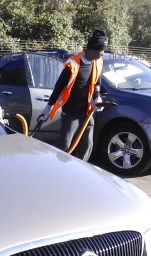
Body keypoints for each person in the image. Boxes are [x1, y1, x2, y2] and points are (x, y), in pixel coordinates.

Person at [41, 29, 108, 161]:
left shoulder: (98, 62)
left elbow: (96, 84)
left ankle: (81, 169)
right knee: (65, 144)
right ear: (93, 50)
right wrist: (48, 107)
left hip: (88, 111)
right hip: (71, 112)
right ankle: (59, 168)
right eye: (101, 51)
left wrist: (97, 98)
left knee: (87, 144)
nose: (103, 54)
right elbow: (59, 86)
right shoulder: (73, 64)